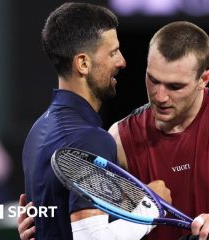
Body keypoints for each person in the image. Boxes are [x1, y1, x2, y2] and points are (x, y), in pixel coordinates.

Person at [19, 19, 209, 239]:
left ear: (204, 79)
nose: (160, 96)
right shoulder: (119, 139)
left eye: (175, 86)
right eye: (153, 80)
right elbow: (98, 232)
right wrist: (46, 228)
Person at [21, 3, 171, 240]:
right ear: (83, 64)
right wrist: (152, 204)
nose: (122, 62)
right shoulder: (91, 140)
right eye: (113, 53)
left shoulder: (38, 130)